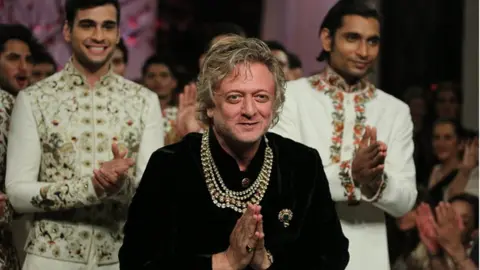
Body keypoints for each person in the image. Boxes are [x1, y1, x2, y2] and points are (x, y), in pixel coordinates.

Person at [119, 35, 349, 269]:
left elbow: (333, 257)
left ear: (275, 103)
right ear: (209, 105)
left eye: (261, 97)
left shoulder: (302, 163)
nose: (249, 110)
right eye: (234, 97)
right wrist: (224, 262)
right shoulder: (170, 165)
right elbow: (135, 261)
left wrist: (266, 262)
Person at [5, 0, 164, 269]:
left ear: (117, 33)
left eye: (108, 26)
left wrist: (118, 185)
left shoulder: (144, 101)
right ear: (68, 30)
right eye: (88, 25)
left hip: (120, 258)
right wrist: (91, 187)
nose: (99, 36)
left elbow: (153, 192)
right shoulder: (34, 99)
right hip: (50, 258)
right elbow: (17, 192)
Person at [270, 1, 417, 269]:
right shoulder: (290, 98)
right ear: (327, 39)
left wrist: (374, 182)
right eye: (353, 38)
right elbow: (282, 181)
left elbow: (406, 201)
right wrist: (351, 175)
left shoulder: (395, 111)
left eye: (373, 41)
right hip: (301, 251)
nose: (364, 51)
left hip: (367, 255)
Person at [0, 23, 42, 270]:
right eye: (13, 58)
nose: (24, 67)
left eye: (28, 59)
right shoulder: (6, 104)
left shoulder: (20, 104)